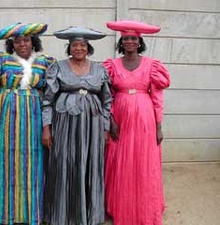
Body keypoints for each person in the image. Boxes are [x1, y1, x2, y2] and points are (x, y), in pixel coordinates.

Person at [0, 22, 55, 225]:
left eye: (26, 39)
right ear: (12, 44)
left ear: (33, 42)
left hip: (34, 117)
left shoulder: (44, 62)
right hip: (6, 118)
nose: (22, 43)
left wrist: (49, 124)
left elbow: (50, 92)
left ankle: (31, 212)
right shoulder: (1, 60)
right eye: (18, 40)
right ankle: (5, 212)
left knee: (33, 162)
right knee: (6, 161)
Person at [41, 26, 112, 225]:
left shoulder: (99, 69)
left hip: (93, 123)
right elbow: (47, 99)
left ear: (88, 48)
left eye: (82, 45)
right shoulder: (58, 67)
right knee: (65, 162)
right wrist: (46, 127)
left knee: (90, 163)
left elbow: (107, 100)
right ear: (69, 48)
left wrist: (105, 128)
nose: (78, 48)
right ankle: (63, 215)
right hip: (65, 123)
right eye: (74, 45)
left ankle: (89, 214)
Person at [103, 20, 171, 225]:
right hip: (120, 118)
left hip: (145, 119)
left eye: (133, 38)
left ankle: (145, 207)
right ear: (121, 42)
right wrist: (111, 120)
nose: (130, 41)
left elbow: (157, 97)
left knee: (143, 161)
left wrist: (158, 125)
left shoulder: (152, 65)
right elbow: (107, 95)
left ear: (139, 41)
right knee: (119, 160)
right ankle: (119, 207)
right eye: (126, 39)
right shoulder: (111, 65)